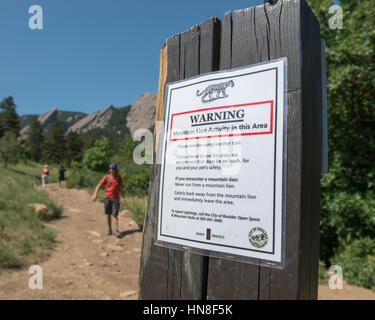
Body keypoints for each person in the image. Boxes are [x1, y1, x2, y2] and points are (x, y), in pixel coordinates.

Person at [91, 163, 125, 237]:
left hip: (115, 198)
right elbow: (99, 185)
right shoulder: (107, 177)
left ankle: (116, 230)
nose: (111, 170)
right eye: (110, 169)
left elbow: (121, 188)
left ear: (115, 170)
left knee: (115, 214)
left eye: (113, 169)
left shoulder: (119, 178)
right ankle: (109, 229)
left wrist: (123, 197)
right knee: (108, 214)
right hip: (107, 198)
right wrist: (95, 194)